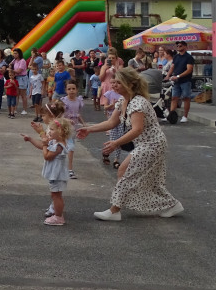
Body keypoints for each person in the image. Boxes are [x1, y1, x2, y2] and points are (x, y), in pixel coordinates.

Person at [78, 67, 184, 221]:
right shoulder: (123, 101)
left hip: (152, 144)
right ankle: (172, 204)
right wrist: (89, 129)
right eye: (114, 82)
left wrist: (116, 143)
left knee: (126, 172)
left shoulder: (138, 103)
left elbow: (137, 129)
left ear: (130, 84)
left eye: (118, 83)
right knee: (149, 180)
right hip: (145, 144)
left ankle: (115, 210)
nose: (114, 85)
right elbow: (111, 122)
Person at [21, 116, 72, 226]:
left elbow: (47, 155)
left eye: (52, 129)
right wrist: (31, 139)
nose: (49, 131)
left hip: (57, 175)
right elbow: (42, 144)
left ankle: (58, 217)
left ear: (61, 132)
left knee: (56, 195)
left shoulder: (59, 145)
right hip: (56, 174)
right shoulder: (55, 141)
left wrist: (44, 143)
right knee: (55, 194)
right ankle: (56, 210)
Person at [61, 82, 86, 179]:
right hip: (65, 128)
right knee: (70, 148)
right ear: (66, 90)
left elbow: (78, 114)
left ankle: (65, 168)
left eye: (73, 88)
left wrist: (84, 124)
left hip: (74, 128)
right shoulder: (64, 101)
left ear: (76, 90)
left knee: (67, 148)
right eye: (69, 89)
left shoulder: (78, 101)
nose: (71, 91)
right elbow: (60, 116)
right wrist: (67, 120)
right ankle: (69, 170)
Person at [168, 41, 195, 123]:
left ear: (185, 47)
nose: (179, 47)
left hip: (185, 80)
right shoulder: (176, 57)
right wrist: (168, 75)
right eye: (178, 46)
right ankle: (171, 115)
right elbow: (172, 67)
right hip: (176, 81)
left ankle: (185, 116)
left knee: (186, 98)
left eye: (180, 45)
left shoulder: (189, 57)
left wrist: (179, 76)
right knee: (174, 98)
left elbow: (189, 69)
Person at [12, 48, 29, 115]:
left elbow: (19, 70)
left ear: (19, 54)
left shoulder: (22, 61)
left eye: (16, 53)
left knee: (23, 95)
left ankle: (24, 109)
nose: (14, 55)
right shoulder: (15, 60)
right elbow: (10, 64)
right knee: (16, 94)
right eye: (14, 53)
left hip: (22, 78)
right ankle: (15, 108)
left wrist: (11, 70)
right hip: (16, 77)